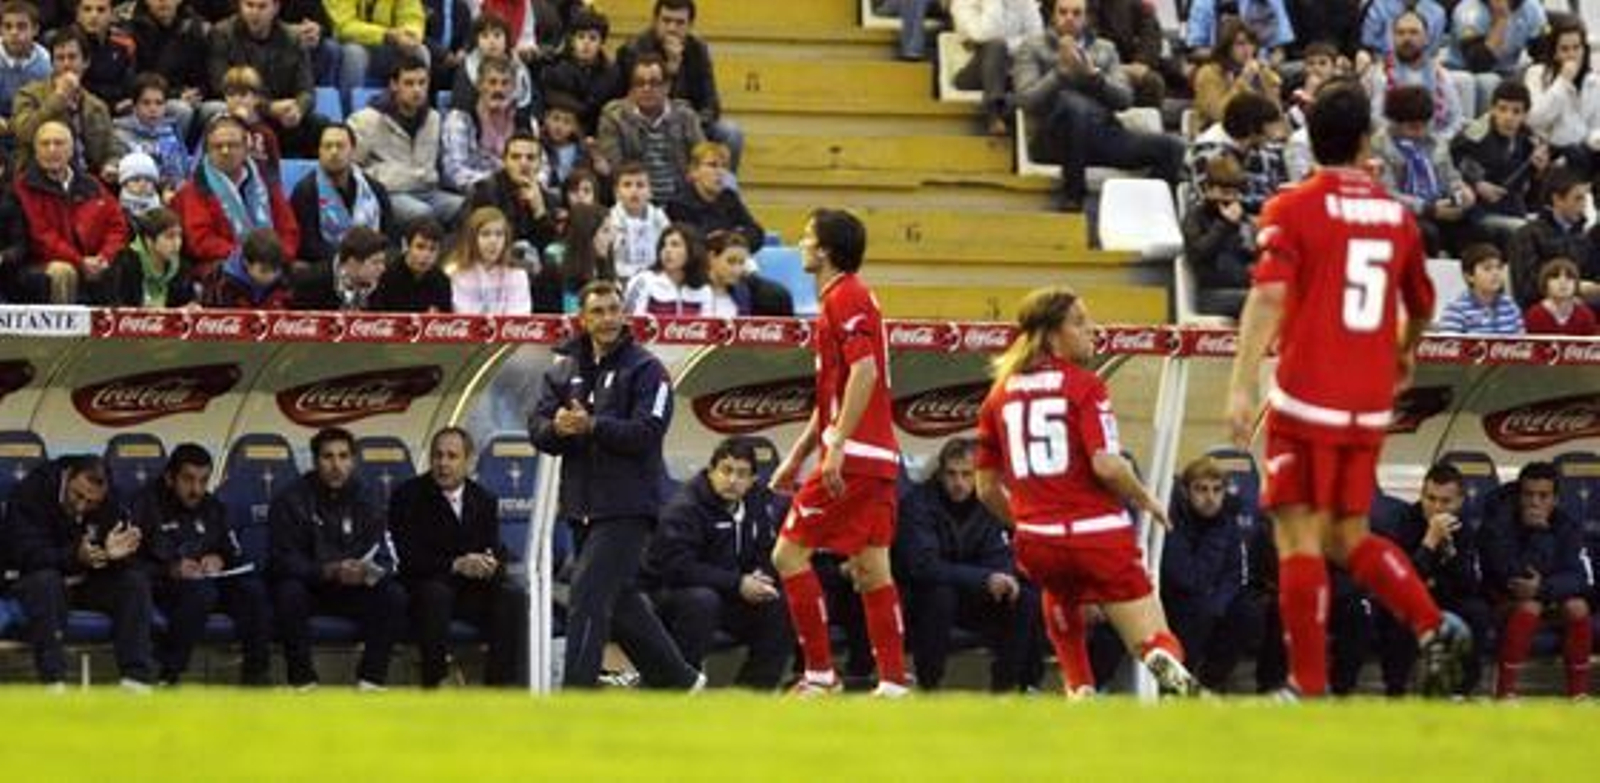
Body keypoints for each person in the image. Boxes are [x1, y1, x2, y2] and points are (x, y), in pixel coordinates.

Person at [1226, 81, 1471, 699]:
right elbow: (1422, 303)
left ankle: (1306, 689)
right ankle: (1430, 624)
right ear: (1367, 139)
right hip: (1366, 405)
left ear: (1311, 140)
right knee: (1346, 536)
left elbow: (1269, 295)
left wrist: (1240, 384)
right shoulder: (1397, 216)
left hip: (1307, 397)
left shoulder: (1292, 206)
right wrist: (1404, 351)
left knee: (1297, 536)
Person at [970, 286, 1198, 698]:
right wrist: (1144, 497)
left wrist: (1026, 522)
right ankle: (1169, 670)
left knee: (1061, 591)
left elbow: (986, 488)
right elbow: (1107, 465)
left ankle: (1079, 688)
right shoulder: (1085, 386)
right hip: (1097, 534)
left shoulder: (998, 395)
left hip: (1038, 542)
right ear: (1050, 335)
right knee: (1154, 638)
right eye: (1079, 322)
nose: (1091, 330)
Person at [528, 279, 705, 691]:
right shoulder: (563, 369)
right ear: (583, 319)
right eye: (598, 311)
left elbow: (648, 431)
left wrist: (592, 426)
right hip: (580, 505)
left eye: (614, 309)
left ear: (624, 314)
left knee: (587, 594)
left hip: (629, 506)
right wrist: (557, 427)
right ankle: (680, 680)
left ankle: (576, 696)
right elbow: (536, 428)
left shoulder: (646, 369)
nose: (608, 319)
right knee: (620, 599)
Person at [768, 209, 910, 698]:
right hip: (874, 456)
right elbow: (834, 393)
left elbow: (865, 372)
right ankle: (892, 684)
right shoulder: (840, 298)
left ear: (825, 250)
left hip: (857, 457)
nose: (801, 243)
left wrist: (838, 447)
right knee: (873, 569)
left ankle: (820, 675)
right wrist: (798, 454)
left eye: (807, 236)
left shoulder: (846, 294)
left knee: (788, 554)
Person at [896, 437, 1045, 692]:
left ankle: (1009, 690)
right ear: (940, 473)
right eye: (952, 474)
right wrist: (985, 579)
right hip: (923, 599)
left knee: (1024, 597)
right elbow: (923, 566)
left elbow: (998, 556)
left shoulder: (988, 504)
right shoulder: (917, 503)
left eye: (967, 474)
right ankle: (929, 687)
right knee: (940, 594)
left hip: (974, 596)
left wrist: (1003, 579)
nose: (959, 483)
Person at [646, 438, 794, 690]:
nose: (732, 480)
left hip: (728, 592)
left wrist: (762, 576)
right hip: (673, 593)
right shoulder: (686, 507)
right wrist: (737, 583)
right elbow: (676, 567)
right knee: (703, 601)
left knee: (779, 605)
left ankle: (750, 696)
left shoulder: (757, 502)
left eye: (742, 474)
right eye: (726, 470)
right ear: (711, 471)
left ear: (753, 480)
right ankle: (679, 687)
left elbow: (766, 549)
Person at [269, 426, 407, 690]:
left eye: (343, 456)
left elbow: (388, 559)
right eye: (328, 457)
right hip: (311, 588)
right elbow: (282, 559)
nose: (336, 465)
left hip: (353, 589)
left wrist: (366, 572)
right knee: (288, 591)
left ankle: (370, 681)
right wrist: (327, 571)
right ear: (314, 461)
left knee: (394, 594)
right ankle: (303, 681)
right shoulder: (291, 498)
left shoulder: (368, 497)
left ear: (353, 461)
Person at [1011, 0, 1183, 212]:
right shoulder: (1032, 47)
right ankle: (1073, 196)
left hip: (1102, 135)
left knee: (1172, 147)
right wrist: (1059, 75)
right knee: (1075, 105)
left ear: (1087, 17)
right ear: (1053, 16)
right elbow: (1026, 100)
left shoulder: (1105, 48)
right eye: (1063, 12)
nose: (1069, 18)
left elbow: (1125, 99)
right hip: (1054, 136)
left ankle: (1139, 210)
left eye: (1076, 13)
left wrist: (1095, 78)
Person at [390, 427, 528, 688]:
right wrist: (456, 564)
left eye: (452, 456)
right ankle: (435, 682)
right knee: (436, 594)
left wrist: (490, 565)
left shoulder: (483, 499)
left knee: (511, 596)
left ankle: (500, 688)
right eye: (437, 456)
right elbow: (408, 557)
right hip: (426, 586)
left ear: (468, 461)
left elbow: (494, 547)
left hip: (470, 590)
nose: (443, 464)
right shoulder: (407, 496)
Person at [4, 455, 155, 690]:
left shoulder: (112, 499)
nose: (82, 506)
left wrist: (114, 556)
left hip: (86, 582)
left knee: (134, 582)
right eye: (78, 495)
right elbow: (26, 555)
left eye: (92, 502)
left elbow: (123, 554)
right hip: (35, 582)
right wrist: (75, 556)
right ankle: (54, 683)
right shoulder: (31, 492)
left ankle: (136, 682)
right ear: (67, 476)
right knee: (46, 582)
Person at [132, 444, 273, 686]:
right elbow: (128, 562)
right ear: (169, 477)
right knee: (201, 593)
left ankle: (256, 678)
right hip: (163, 586)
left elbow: (233, 552)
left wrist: (220, 559)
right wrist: (171, 569)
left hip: (210, 582)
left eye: (203, 481)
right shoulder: (145, 505)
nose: (196, 489)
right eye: (188, 480)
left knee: (253, 591)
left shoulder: (213, 507)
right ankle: (169, 674)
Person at [1369, 463, 1493, 696]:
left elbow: (1469, 584)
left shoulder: (1464, 526)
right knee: (1394, 613)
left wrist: (1449, 551)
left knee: (1477, 611)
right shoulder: (1401, 521)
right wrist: (1429, 542)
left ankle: (1462, 691)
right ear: (1422, 496)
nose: (1436, 508)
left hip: (1446, 597)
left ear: (1460, 502)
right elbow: (1402, 582)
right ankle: (1396, 691)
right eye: (1430, 498)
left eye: (1445, 502)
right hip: (1409, 599)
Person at [1480, 462, 1592, 699]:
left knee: (1578, 607)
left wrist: (1544, 588)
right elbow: (1514, 578)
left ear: (1555, 499)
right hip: (1503, 600)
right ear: (1519, 495)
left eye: (1543, 496)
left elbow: (1580, 578)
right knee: (1531, 606)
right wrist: (1539, 534)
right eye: (1529, 494)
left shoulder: (1567, 524)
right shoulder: (1498, 524)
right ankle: (1505, 693)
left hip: (1547, 596)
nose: (1535, 502)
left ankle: (1578, 695)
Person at [1162, 456, 1264, 693]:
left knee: (1247, 613)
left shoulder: (1228, 521)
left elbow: (1237, 574)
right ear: (1186, 492)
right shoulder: (1172, 523)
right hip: (1178, 601)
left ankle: (1211, 682)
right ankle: (1177, 688)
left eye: (1217, 490)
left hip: (1211, 599)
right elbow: (1187, 577)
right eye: (1202, 489)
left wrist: (1218, 604)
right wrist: (1215, 536)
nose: (1210, 498)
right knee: (1194, 614)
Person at [9, 119, 129, 304]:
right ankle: (63, 333)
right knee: (63, 272)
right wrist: (80, 261)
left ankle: (116, 329)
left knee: (124, 260)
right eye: (45, 143)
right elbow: (41, 236)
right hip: (40, 262)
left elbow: (117, 226)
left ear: (71, 149)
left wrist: (104, 257)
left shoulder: (92, 185)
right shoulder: (23, 188)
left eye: (58, 143)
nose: (51, 149)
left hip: (91, 259)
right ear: (36, 150)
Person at [172, 114, 299, 283]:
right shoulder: (193, 191)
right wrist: (249, 259)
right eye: (218, 146)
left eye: (232, 145)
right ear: (207, 151)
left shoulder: (267, 182)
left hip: (273, 264)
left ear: (246, 147)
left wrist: (278, 256)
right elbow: (201, 242)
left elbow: (288, 230)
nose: (225, 151)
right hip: (224, 268)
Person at [348, 52, 463, 228]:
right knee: (421, 213)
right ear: (394, 85)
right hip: (391, 194)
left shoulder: (434, 118)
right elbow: (352, 169)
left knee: (467, 206)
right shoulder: (366, 120)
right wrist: (388, 176)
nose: (417, 90)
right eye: (409, 83)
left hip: (428, 192)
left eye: (422, 83)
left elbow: (441, 166)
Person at [596, 53, 704, 205]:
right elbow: (616, 169)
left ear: (667, 86)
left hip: (682, 203)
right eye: (640, 83)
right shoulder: (614, 117)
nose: (646, 89)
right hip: (635, 202)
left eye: (654, 83)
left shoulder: (686, 116)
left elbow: (701, 159)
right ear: (632, 88)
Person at [289, 122, 394, 266]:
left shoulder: (375, 189)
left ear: (352, 150)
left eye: (340, 146)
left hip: (373, 265)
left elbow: (389, 236)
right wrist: (351, 261)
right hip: (329, 267)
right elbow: (308, 246)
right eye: (327, 146)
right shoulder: (305, 192)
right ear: (319, 151)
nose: (334, 152)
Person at [1506, 165, 1600, 308]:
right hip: (1541, 316)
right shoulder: (1527, 236)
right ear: (1557, 199)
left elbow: (1593, 274)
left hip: (1581, 314)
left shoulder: (1583, 238)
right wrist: (1575, 288)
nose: (1583, 206)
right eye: (1577, 199)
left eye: (1585, 199)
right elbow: (1526, 288)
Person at [1183, 154, 1256, 319]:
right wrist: (1224, 224)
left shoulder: (1242, 218)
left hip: (1244, 287)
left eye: (1235, 194)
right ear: (1208, 189)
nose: (1230, 198)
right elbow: (1198, 253)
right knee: (1259, 300)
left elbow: (1252, 254)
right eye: (1224, 192)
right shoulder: (1196, 216)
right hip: (1211, 294)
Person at [464, 130, 558, 252]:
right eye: (515, 157)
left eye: (530, 158)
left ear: (540, 163)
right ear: (505, 161)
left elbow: (549, 249)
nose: (523, 163)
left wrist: (539, 211)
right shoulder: (484, 191)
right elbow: (472, 238)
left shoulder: (548, 198)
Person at [666, 141, 763, 251]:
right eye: (713, 165)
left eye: (724, 166)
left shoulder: (729, 197)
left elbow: (756, 232)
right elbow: (692, 244)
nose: (720, 172)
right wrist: (733, 235)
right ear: (694, 172)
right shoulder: (678, 204)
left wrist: (729, 237)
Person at [1191, 18, 1283, 130]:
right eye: (1240, 44)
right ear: (1226, 47)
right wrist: (1243, 81)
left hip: (1257, 136)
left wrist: (1269, 86)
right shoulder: (1208, 73)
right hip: (1217, 137)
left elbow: (1276, 116)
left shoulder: (1261, 71)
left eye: (1251, 43)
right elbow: (1219, 115)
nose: (1248, 49)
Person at [102, 206, 196, 308]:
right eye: (169, 237)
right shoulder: (126, 263)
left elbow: (186, 303)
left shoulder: (181, 267)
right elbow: (118, 307)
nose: (177, 243)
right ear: (149, 240)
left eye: (179, 236)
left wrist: (191, 308)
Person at [448, 205, 532, 315]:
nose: (493, 241)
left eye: (499, 234)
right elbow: (465, 317)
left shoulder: (518, 275)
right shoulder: (458, 273)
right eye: (485, 234)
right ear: (472, 239)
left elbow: (519, 318)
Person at [290, 225, 389, 311]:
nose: (382, 268)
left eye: (382, 262)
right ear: (352, 262)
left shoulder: (382, 284)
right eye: (375, 263)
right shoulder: (311, 283)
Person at [623, 223, 713, 316]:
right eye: (663, 245)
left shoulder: (704, 289)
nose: (667, 250)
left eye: (675, 245)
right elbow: (630, 320)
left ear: (692, 250)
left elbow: (706, 326)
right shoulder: (643, 280)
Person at [1433, 243, 1524, 334]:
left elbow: (1523, 343)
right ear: (1469, 276)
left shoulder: (1510, 305)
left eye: (1499, 267)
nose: (1496, 273)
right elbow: (1450, 345)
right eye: (1487, 268)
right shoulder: (1456, 309)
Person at [604, 161, 671, 280]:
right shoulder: (607, 219)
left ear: (650, 192)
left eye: (640, 185)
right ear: (616, 193)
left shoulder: (659, 217)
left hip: (657, 279)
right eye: (627, 185)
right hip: (620, 279)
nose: (634, 191)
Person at [370, 217, 452, 312]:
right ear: (406, 245)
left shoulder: (442, 281)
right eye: (420, 247)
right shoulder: (386, 277)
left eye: (432, 249)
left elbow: (446, 320)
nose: (426, 255)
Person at [203, 226, 293, 309]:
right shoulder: (221, 282)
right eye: (264, 271)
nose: (271, 276)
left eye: (275, 270)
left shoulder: (285, 278)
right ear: (247, 263)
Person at [1523, 257, 1597, 336]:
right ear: (1545, 283)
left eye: (1569, 277)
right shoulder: (1534, 315)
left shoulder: (1585, 315)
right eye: (1555, 277)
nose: (1563, 282)